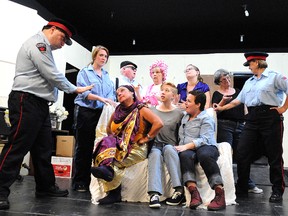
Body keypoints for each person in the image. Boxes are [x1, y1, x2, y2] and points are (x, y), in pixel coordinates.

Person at [0, 18, 93, 210]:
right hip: (27, 100)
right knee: (17, 146)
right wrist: (74, 89)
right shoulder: (38, 44)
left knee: (43, 148)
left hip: (39, 104)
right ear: (52, 29)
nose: (62, 44)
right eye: (63, 38)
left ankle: (45, 186)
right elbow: (51, 74)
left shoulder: (46, 49)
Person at [213, 52, 287, 203]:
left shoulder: (275, 76)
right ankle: (242, 186)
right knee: (242, 152)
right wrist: (221, 108)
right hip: (252, 118)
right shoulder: (250, 82)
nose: (249, 68)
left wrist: (283, 108)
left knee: (274, 155)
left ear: (258, 62)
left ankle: (277, 190)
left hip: (270, 116)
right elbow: (237, 101)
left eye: (250, 64)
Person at [90, 85, 163, 204]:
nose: (119, 94)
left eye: (122, 91)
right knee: (104, 151)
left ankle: (114, 192)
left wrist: (147, 138)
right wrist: (115, 141)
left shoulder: (141, 109)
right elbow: (109, 129)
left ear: (132, 93)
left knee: (111, 161)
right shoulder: (117, 111)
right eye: (117, 93)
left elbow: (158, 123)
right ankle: (109, 179)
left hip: (136, 148)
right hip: (120, 145)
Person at [72, 45, 116, 193]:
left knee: (100, 146)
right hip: (86, 112)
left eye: (106, 56)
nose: (103, 58)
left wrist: (110, 101)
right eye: (101, 55)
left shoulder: (106, 75)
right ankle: (80, 181)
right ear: (94, 56)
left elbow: (111, 94)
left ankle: (95, 182)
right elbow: (83, 93)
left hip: (102, 113)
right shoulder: (84, 72)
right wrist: (99, 98)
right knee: (84, 147)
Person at [212, 69, 263, 194]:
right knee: (225, 154)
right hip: (225, 125)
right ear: (219, 81)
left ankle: (246, 182)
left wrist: (247, 121)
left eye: (228, 78)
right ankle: (225, 183)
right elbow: (215, 110)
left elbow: (244, 106)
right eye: (224, 79)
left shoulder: (238, 91)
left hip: (240, 125)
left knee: (243, 154)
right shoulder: (216, 94)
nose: (227, 81)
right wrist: (223, 100)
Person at [175, 90, 226, 211]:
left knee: (204, 155)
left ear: (198, 104)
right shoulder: (185, 117)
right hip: (189, 149)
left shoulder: (206, 118)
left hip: (206, 146)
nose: (185, 103)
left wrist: (186, 146)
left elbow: (205, 139)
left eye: (188, 101)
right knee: (185, 155)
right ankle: (194, 194)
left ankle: (219, 194)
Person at [147, 82, 184, 208]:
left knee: (169, 150)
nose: (163, 92)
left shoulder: (179, 113)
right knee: (155, 154)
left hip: (171, 144)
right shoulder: (152, 110)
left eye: (167, 90)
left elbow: (181, 133)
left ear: (173, 96)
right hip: (155, 145)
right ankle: (154, 194)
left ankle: (179, 190)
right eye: (162, 90)